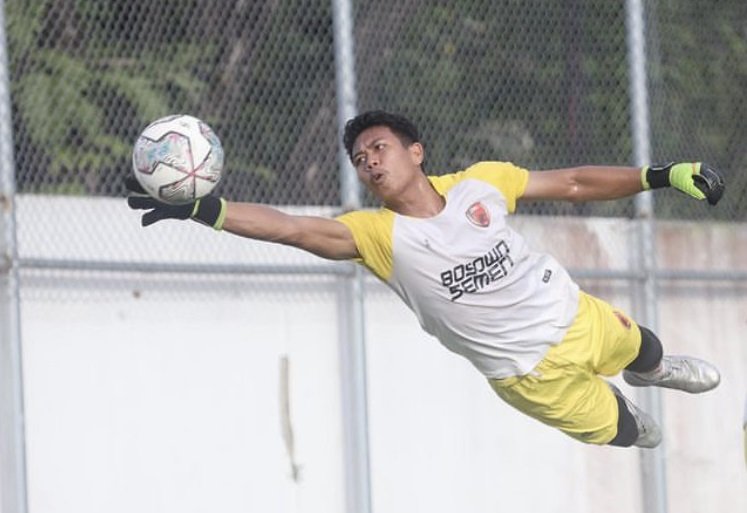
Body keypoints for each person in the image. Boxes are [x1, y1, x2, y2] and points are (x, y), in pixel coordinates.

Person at [127, 110, 725, 448]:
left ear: (416, 151)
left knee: (642, 346)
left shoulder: (481, 183)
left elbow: (572, 183)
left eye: (379, 148)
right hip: (526, 376)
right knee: (627, 434)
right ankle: (630, 411)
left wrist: (661, 175)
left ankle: (654, 371)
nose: (370, 163)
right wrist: (208, 209)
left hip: (573, 315)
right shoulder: (378, 236)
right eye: (361, 161)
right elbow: (293, 229)